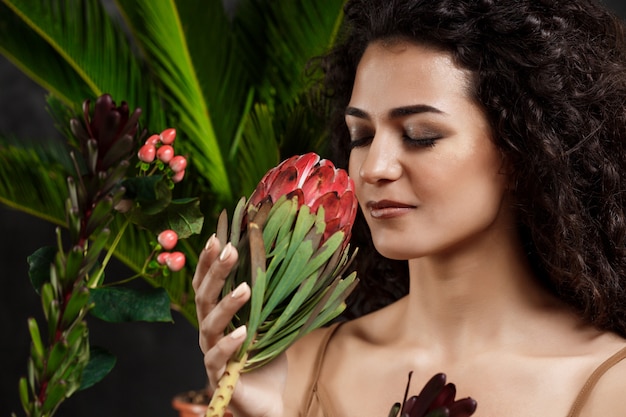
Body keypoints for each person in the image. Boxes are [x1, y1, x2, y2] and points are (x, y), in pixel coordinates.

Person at [192, 0, 626, 415]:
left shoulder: (608, 385)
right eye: (361, 136)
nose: (373, 168)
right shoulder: (294, 372)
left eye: (419, 135)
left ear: (520, 148)